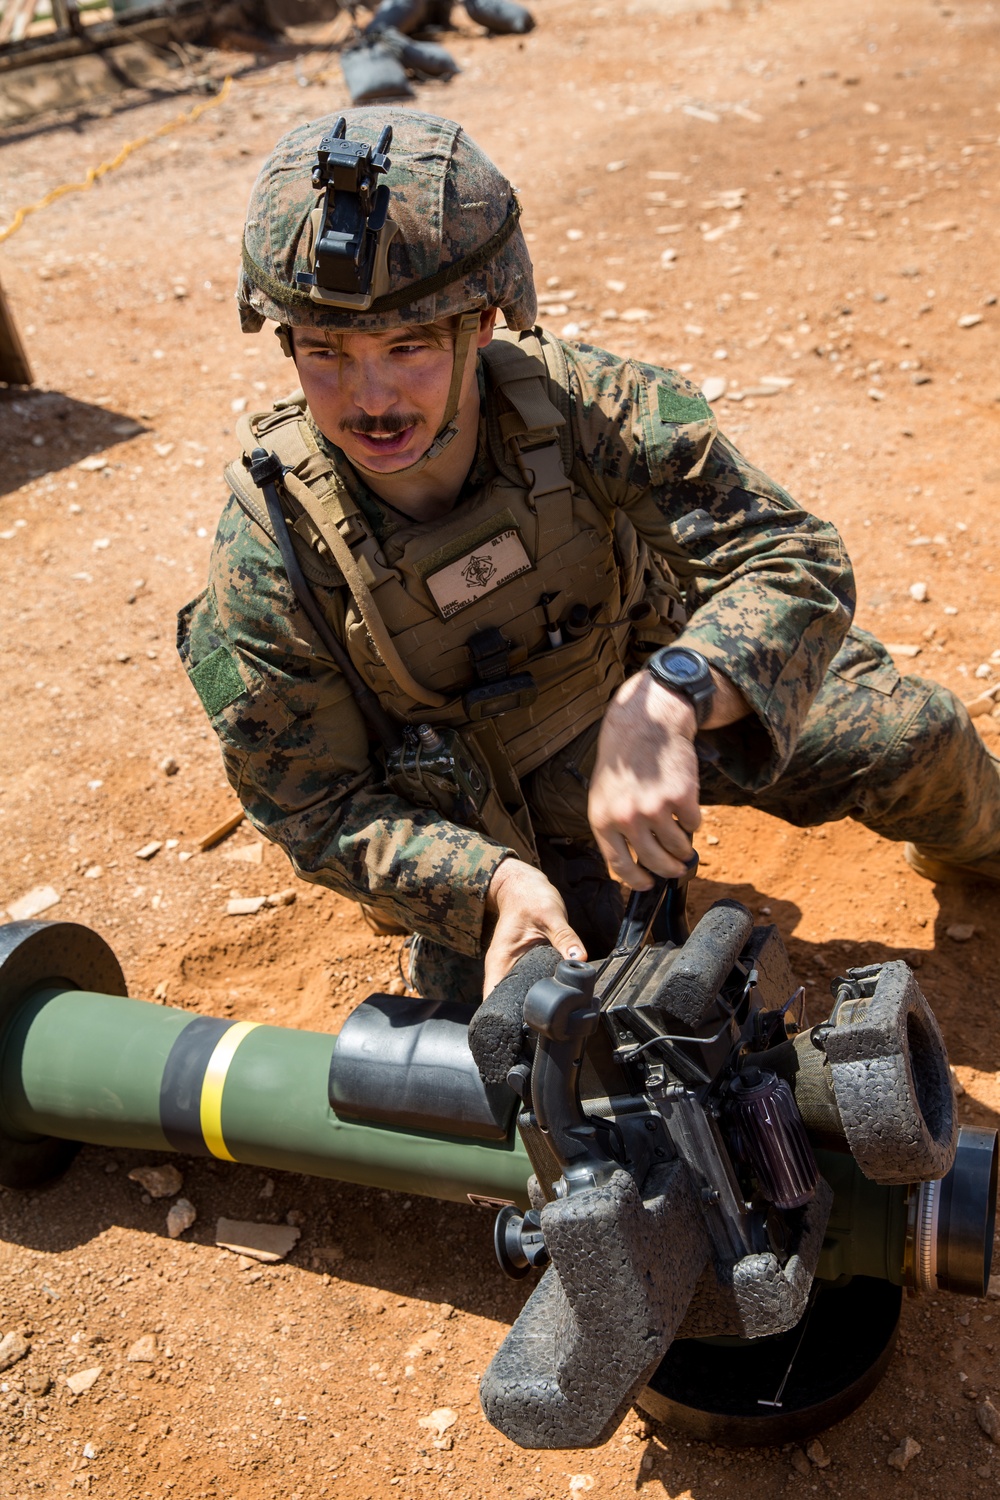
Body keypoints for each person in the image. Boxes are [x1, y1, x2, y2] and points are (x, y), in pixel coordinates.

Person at [177, 107, 1000, 1004]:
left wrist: (672, 695)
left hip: (637, 692)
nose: (369, 398)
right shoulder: (268, 550)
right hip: (484, 817)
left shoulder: (581, 408)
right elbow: (315, 807)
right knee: (569, 1026)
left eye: (407, 347)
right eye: (324, 351)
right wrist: (487, 883)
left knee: (915, 734)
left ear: (481, 323)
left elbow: (790, 555)